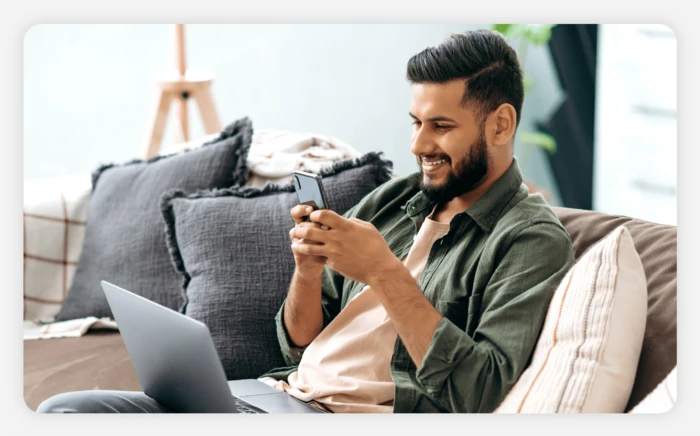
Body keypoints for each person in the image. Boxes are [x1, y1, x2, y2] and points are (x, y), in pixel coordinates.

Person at [37, 28, 574, 414]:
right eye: (415, 122)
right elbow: (297, 346)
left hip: (340, 418)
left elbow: (481, 394)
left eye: (440, 126)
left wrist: (386, 274)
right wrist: (308, 270)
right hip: (278, 396)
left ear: (501, 124)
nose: (417, 144)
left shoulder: (528, 240)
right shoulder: (396, 202)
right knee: (69, 412)